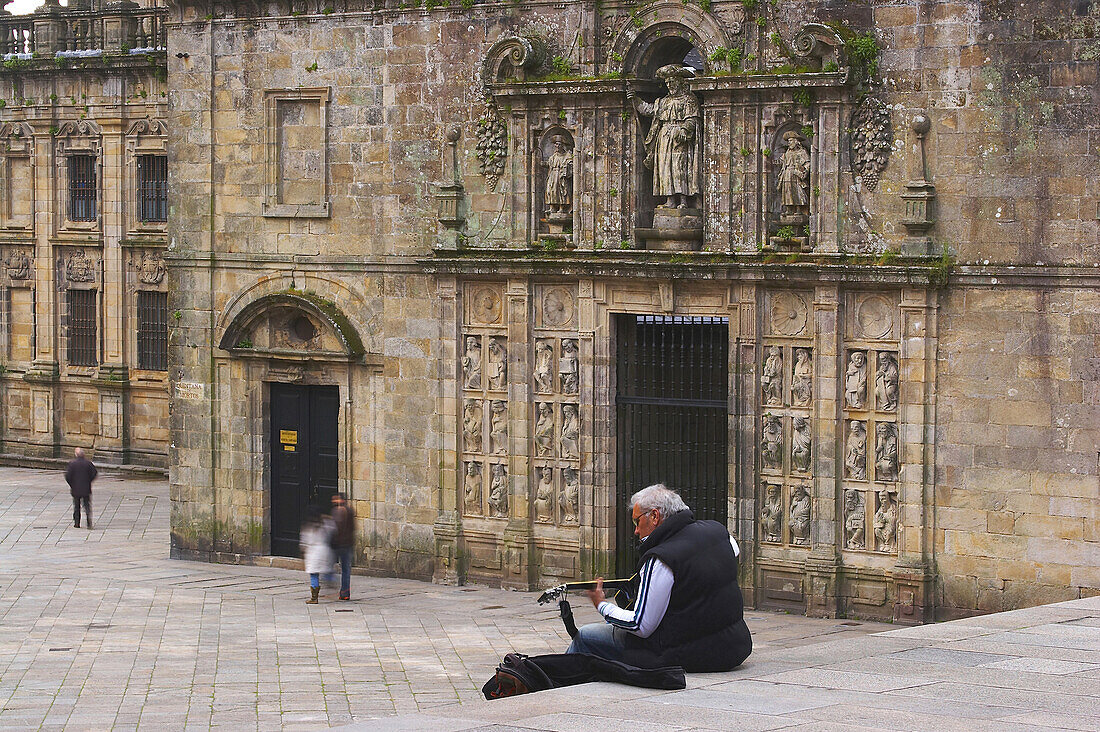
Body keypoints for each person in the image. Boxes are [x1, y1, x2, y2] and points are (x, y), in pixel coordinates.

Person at [567, 484, 751, 672]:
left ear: (654, 516)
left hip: (685, 654)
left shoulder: (661, 559)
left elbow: (641, 625)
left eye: (636, 522)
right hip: (734, 647)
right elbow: (732, 556)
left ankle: (558, 675)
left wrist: (602, 605)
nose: (636, 531)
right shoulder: (719, 532)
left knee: (586, 636)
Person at [300, 507, 334, 605]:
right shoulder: (325, 525)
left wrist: (302, 555)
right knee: (326, 570)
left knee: (314, 575)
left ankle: (314, 597)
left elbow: (304, 543)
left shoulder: (308, 527)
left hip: (313, 552)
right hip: (324, 550)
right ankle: (331, 582)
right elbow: (333, 526)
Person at [330, 493, 355, 601]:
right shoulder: (350, 511)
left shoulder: (337, 511)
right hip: (348, 544)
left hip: (339, 544)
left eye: (335, 499)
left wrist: (332, 541)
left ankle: (331, 585)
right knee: (346, 569)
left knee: (328, 565)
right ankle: (345, 592)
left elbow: (336, 528)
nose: (333, 501)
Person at [65, 448, 97, 529]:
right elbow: (94, 473)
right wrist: (89, 481)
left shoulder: (72, 464)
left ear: (76, 455)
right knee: (87, 505)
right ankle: (88, 521)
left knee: (76, 506)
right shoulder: (88, 463)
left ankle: (77, 523)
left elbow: (68, 476)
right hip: (86, 488)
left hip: (75, 489)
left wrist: (72, 484)